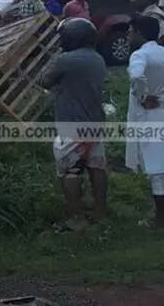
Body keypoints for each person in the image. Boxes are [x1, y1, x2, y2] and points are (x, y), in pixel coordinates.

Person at [39, 18, 108, 230]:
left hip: (71, 123)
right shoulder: (98, 58)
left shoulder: (65, 60)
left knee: (72, 171)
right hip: (95, 121)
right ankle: (99, 213)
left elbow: (44, 80)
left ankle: (75, 218)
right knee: (97, 167)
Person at [125, 16, 164, 227]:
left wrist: (142, 96)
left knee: (157, 168)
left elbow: (136, 77)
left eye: (130, 31)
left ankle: (160, 218)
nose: (128, 35)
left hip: (150, 116)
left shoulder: (140, 55)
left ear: (139, 32)